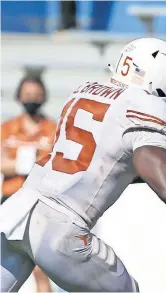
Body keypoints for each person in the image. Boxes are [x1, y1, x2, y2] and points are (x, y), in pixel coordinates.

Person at [0, 38, 166, 292]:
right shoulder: (146, 105)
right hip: (59, 226)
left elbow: (136, 171)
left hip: (15, 212)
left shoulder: (85, 90)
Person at [1, 75, 56, 292]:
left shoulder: (53, 128)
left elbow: (56, 165)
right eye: (27, 94)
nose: (32, 98)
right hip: (11, 202)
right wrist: (26, 164)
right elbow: (1, 163)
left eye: (36, 94)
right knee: (5, 266)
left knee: (40, 267)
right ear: (19, 96)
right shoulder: (7, 128)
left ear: (43, 97)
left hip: (41, 203)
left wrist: (22, 164)